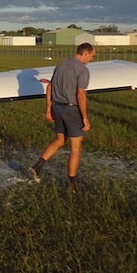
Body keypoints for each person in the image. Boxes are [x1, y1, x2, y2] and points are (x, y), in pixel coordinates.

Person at [29, 42, 97, 191]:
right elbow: (81, 95)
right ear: (85, 53)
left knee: (60, 140)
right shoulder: (82, 70)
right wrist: (85, 118)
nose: (92, 59)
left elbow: (50, 86)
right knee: (76, 148)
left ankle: (37, 166)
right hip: (72, 110)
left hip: (57, 108)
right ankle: (72, 183)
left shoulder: (61, 65)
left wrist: (48, 109)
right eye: (92, 56)